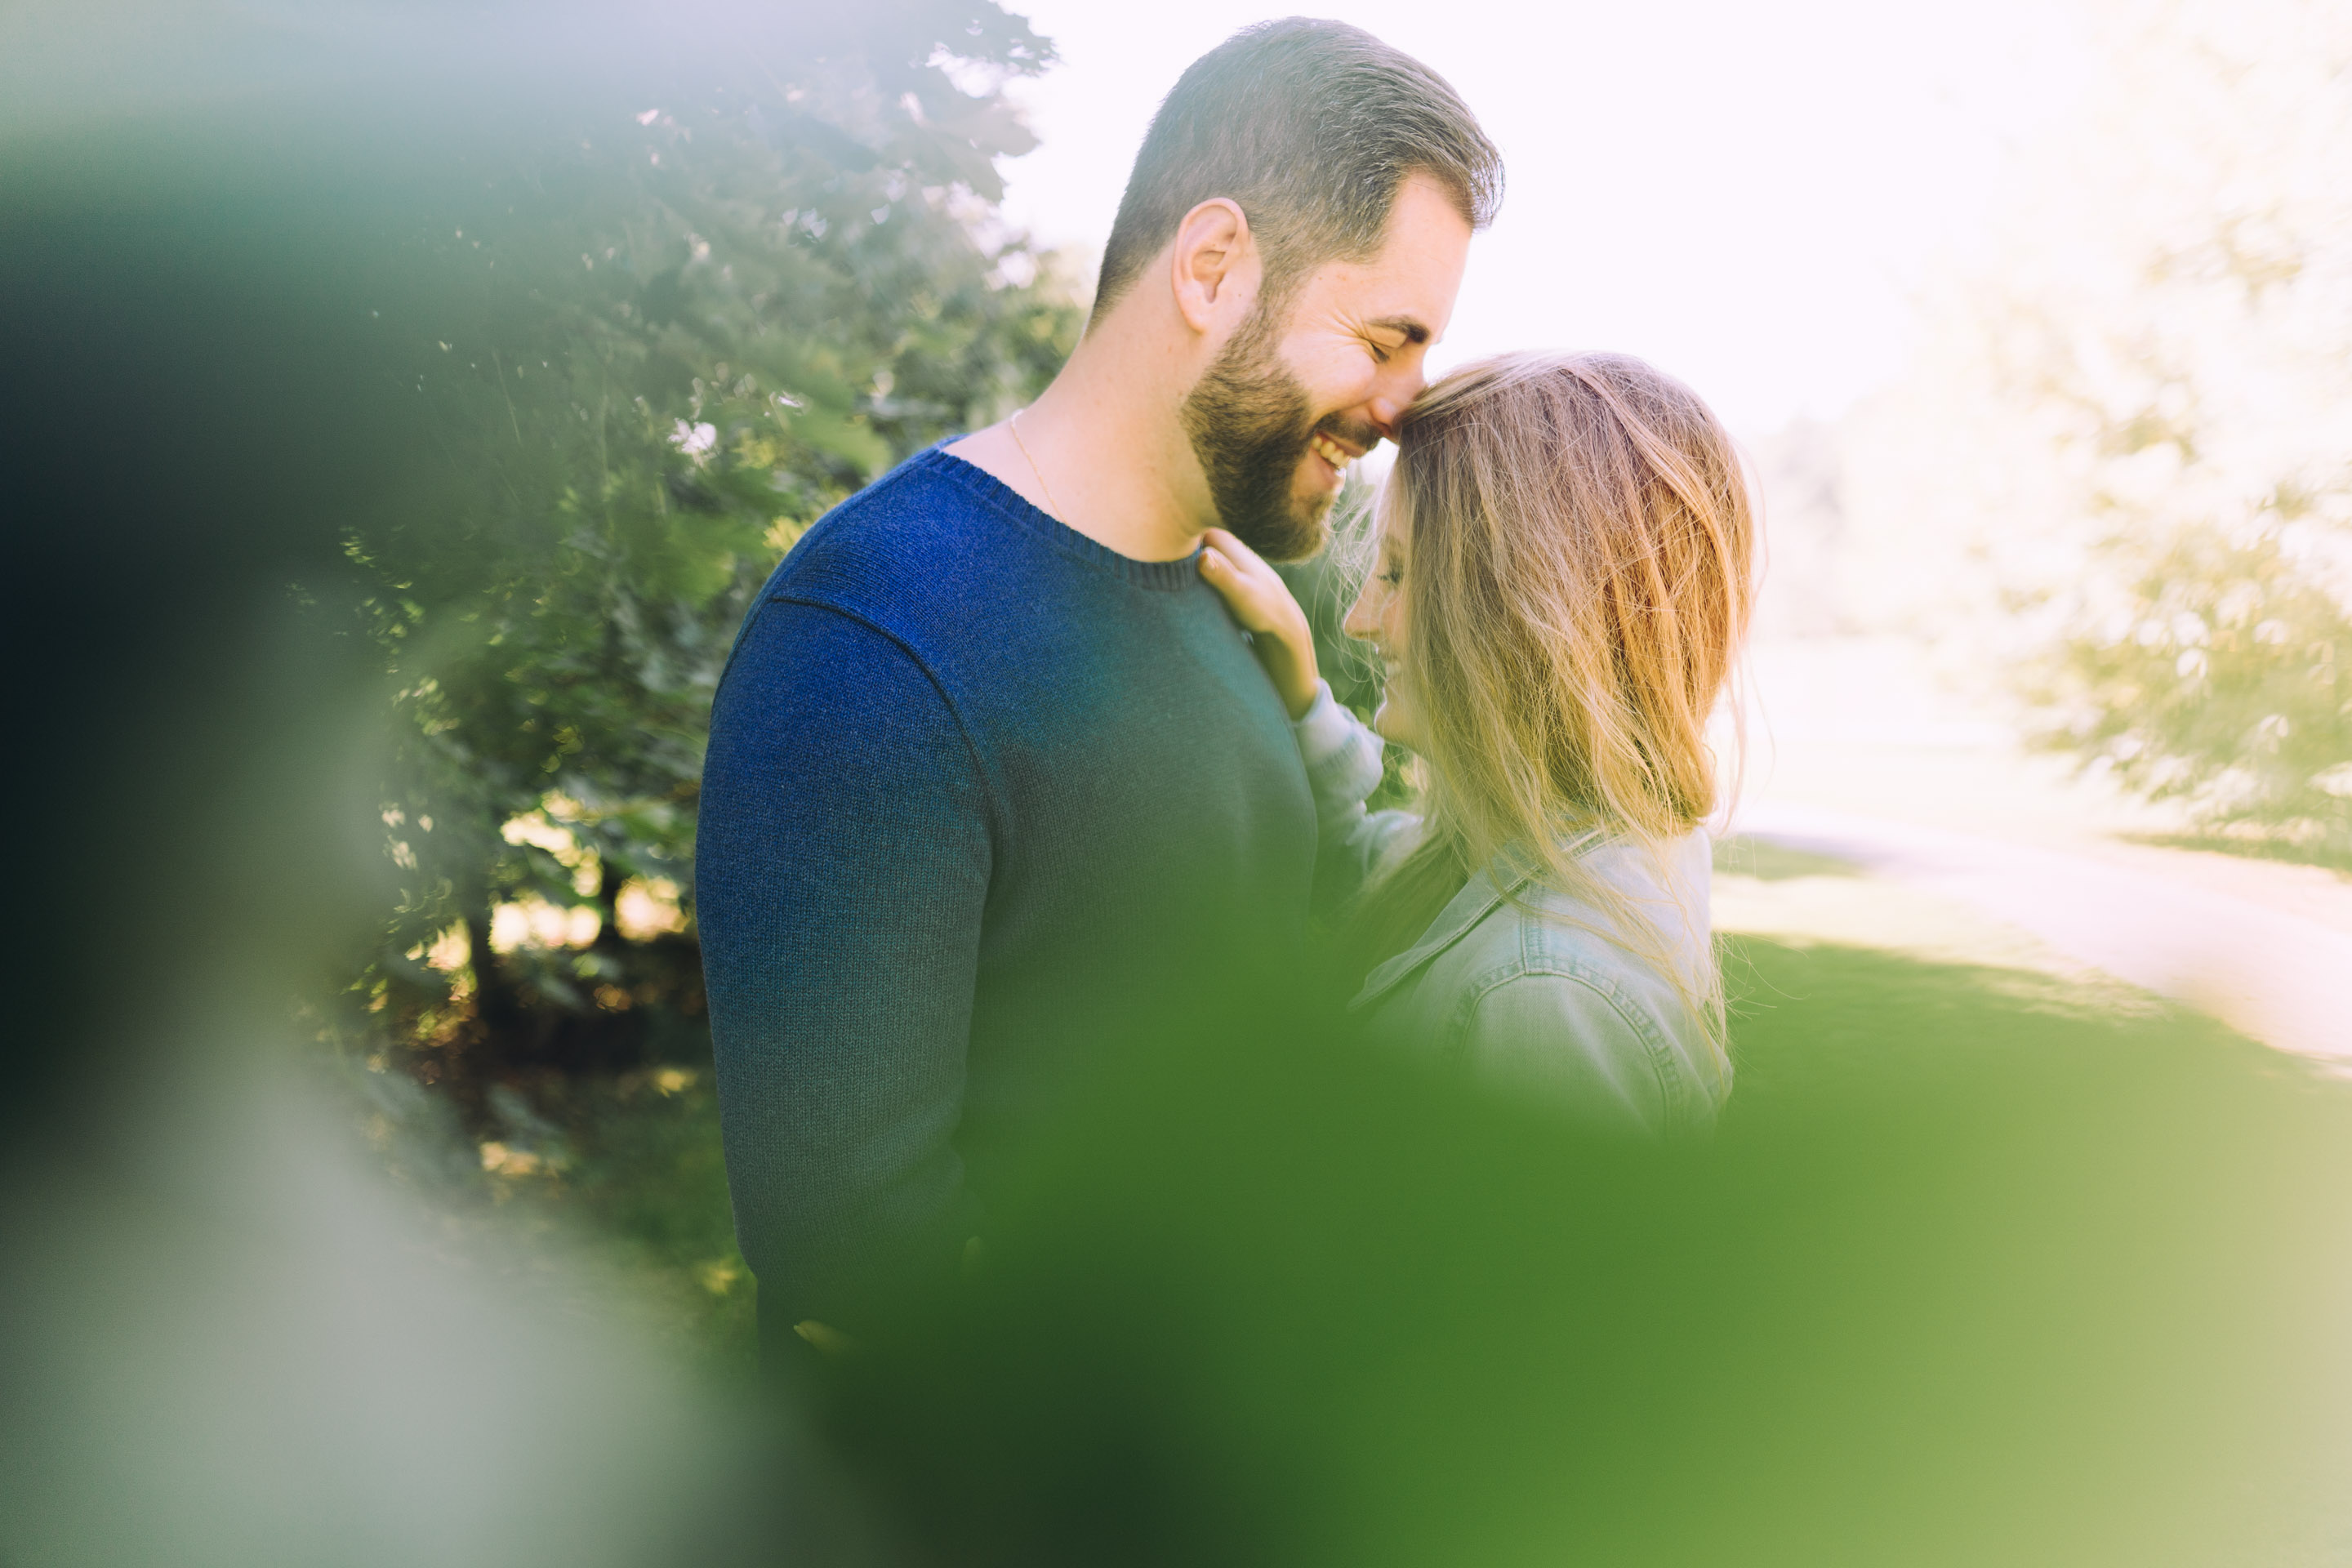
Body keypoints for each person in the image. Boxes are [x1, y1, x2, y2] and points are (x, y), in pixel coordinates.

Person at [696, 20, 1502, 1352]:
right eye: (1386, 335)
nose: (1406, 403)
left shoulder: (1231, 601)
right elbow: (861, 1285)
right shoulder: (874, 642)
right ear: (1213, 267)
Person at [1199, 351, 1756, 1134]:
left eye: (1394, 574)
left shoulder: (1547, 1001)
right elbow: (1369, 870)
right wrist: (1300, 698)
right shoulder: (1554, 852)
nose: (1359, 620)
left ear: (1514, 616)